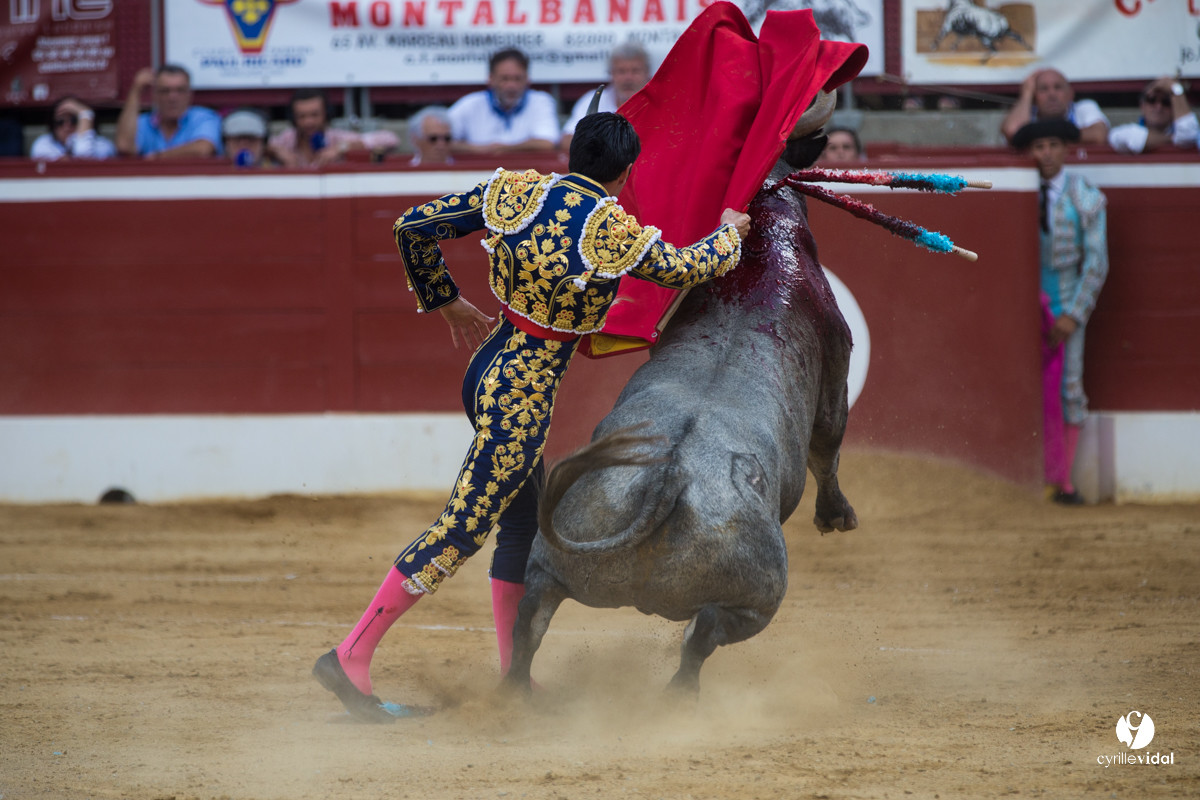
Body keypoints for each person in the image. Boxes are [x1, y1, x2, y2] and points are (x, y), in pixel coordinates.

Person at [312, 111, 751, 722]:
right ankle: (350, 656)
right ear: (626, 172)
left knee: (522, 525)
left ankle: (514, 676)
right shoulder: (610, 229)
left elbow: (412, 227)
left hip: (488, 368)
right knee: (463, 527)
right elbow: (687, 267)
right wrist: (729, 233)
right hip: (519, 397)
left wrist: (445, 301)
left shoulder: (517, 190)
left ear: (573, 153)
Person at [1012, 119, 1108, 506]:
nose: (1046, 153)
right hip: (1023, 306)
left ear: (1066, 148)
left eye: (1053, 144)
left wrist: (1075, 313)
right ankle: (1026, 476)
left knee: (1068, 388)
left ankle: (1062, 482)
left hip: (1066, 301)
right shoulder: (1018, 192)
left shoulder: (1085, 196)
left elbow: (1097, 262)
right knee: (1022, 388)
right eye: (1038, 146)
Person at [446, 48, 560, 154]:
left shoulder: (541, 101)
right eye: (505, 79)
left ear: (527, 79)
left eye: (517, 79)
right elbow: (441, 141)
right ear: (491, 79)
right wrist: (479, 149)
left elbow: (548, 143)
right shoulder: (470, 104)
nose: (511, 85)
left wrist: (505, 149)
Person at [269, 89, 399, 168]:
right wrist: (277, 151)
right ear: (293, 118)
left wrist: (340, 148)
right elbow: (264, 143)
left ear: (326, 114)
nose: (308, 122)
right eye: (302, 116)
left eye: (314, 115)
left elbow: (390, 139)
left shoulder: (337, 138)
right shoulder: (287, 138)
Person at [115, 65, 222, 159]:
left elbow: (203, 149)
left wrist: (158, 157)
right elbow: (125, 147)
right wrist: (136, 91)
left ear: (189, 94)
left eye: (180, 90)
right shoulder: (143, 122)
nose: (172, 97)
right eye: (165, 91)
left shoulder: (204, 117)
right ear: (154, 95)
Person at [559, 41, 653, 149]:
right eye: (621, 71)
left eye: (635, 71)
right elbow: (568, 140)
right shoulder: (593, 100)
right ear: (611, 74)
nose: (628, 78)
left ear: (647, 73)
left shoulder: (660, 103)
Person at [1001, 68, 1110, 146]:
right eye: (1044, 89)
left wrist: (1037, 133)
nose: (1052, 95)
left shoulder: (1083, 107)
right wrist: (1026, 94)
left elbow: (1099, 135)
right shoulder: (1026, 114)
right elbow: (1012, 132)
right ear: (1034, 97)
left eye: (1058, 87)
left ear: (1070, 94)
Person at [1108, 77, 1198, 154]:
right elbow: (1132, 139)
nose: (1158, 107)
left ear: (1173, 107)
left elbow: (1189, 135)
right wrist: (1173, 139)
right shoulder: (1123, 132)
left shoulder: (1186, 131)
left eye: (1166, 102)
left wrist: (1175, 88)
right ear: (1142, 105)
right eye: (1152, 100)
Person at [30, 96, 116, 160]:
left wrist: (85, 113)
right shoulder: (43, 143)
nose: (67, 126)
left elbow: (83, 154)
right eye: (60, 122)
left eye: (74, 120)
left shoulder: (103, 145)